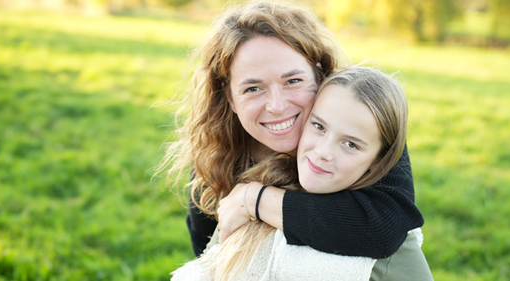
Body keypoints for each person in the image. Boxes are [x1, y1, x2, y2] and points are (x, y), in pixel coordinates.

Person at [158, 0, 423, 267]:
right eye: (253, 89)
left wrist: (255, 200)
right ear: (229, 98)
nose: (277, 106)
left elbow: (383, 227)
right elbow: (208, 254)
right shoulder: (216, 152)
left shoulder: (358, 118)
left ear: (318, 75)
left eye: (293, 81)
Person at [171, 67, 432, 281]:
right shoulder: (247, 196)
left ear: (379, 163)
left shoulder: (387, 243)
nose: (323, 152)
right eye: (318, 126)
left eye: (351, 144)